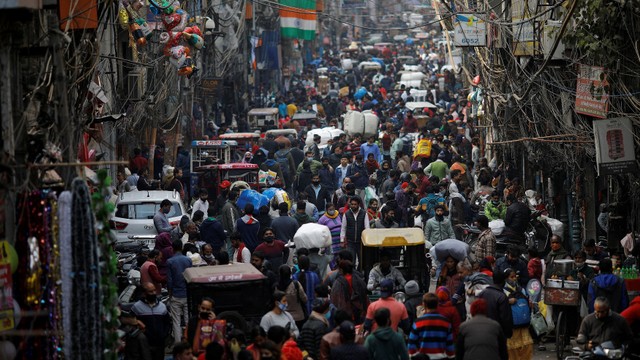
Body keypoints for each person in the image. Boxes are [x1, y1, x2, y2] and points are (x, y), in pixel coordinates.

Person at [407, 292, 455, 359]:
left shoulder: (418, 322)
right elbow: (450, 345)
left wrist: (413, 355)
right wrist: (451, 356)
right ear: (437, 304)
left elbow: (411, 344)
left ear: (424, 305)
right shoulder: (446, 322)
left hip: (423, 357)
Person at [131, 282, 171, 360]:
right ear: (144, 293)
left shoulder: (162, 307)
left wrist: (164, 334)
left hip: (159, 344)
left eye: (154, 291)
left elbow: (167, 323)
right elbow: (131, 323)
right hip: (145, 344)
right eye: (150, 291)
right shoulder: (137, 307)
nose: (153, 293)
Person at [502, 268, 533, 359]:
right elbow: (500, 304)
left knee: (527, 346)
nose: (514, 279)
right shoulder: (503, 291)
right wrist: (507, 301)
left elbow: (528, 298)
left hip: (524, 324)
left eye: (515, 276)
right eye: (512, 277)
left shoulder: (521, 289)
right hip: (512, 325)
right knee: (512, 349)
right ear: (506, 278)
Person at [167, 240, 193, 345]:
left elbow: (169, 281)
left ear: (172, 248)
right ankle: (188, 342)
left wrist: (170, 295)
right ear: (182, 248)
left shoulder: (170, 261)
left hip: (176, 295)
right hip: (187, 293)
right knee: (188, 321)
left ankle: (178, 344)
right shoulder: (188, 260)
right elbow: (191, 277)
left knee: (176, 321)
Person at [330, 260, 369, 325]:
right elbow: (364, 295)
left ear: (341, 270)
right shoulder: (359, 280)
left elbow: (335, 299)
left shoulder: (338, 282)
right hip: (359, 312)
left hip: (345, 314)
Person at [478, 269, 513, 338]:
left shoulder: (482, 293)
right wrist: (508, 333)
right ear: (503, 281)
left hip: (484, 331)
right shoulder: (502, 297)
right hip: (497, 334)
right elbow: (505, 319)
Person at [340, 197, 370, 269]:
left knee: (362, 261)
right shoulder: (346, 214)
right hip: (350, 242)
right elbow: (343, 228)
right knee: (351, 261)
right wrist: (342, 240)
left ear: (359, 205)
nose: (353, 206)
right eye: (352, 204)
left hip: (361, 242)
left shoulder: (364, 214)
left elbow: (367, 228)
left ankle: (360, 276)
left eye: (355, 204)